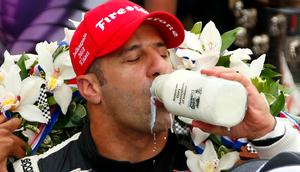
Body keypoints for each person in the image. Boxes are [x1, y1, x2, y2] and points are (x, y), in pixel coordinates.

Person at [0, 0, 300, 171]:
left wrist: (268, 133)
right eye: (134, 59)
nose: (160, 67)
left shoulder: (215, 148)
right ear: (91, 89)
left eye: (162, 52)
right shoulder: (44, 169)